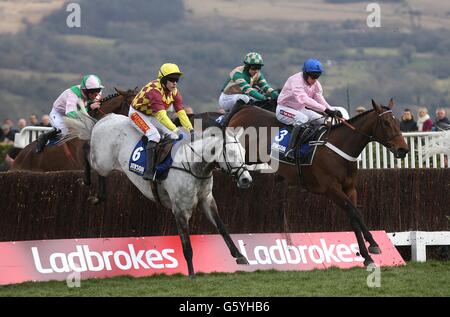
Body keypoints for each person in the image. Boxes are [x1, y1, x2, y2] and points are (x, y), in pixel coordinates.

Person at [129, 63, 194, 181]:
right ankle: (149, 171)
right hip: (137, 113)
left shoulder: (174, 91)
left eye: (177, 79)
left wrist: (190, 129)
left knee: (174, 136)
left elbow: (180, 111)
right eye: (172, 79)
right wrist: (177, 129)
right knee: (154, 135)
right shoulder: (154, 91)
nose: (175, 82)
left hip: (152, 114)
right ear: (163, 80)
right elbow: (161, 116)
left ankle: (164, 166)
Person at [276, 58, 342, 159]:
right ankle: (290, 150)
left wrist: (332, 110)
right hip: (284, 109)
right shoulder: (296, 81)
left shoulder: (316, 84)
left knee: (323, 120)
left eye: (317, 76)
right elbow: (304, 100)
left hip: (300, 109)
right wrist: (325, 109)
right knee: (302, 119)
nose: (315, 79)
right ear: (305, 74)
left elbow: (320, 99)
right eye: (313, 76)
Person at [35, 75, 104, 153]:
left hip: (75, 113)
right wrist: (89, 107)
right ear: (85, 91)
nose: (96, 94)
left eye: (98, 91)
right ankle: (44, 137)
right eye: (93, 92)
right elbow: (71, 113)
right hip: (60, 114)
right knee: (65, 131)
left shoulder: (95, 92)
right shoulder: (73, 94)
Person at [219, 52, 279, 117]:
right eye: (254, 68)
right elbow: (248, 90)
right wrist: (264, 98)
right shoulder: (237, 73)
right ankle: (226, 119)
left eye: (258, 68)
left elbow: (266, 87)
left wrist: (277, 96)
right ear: (247, 67)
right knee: (245, 98)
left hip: (239, 97)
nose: (256, 71)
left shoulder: (257, 74)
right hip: (226, 98)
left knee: (256, 99)